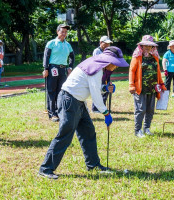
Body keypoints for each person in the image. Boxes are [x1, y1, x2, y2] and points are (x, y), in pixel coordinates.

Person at [38, 46, 129, 179]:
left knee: (88, 131)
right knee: (65, 135)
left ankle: (93, 164)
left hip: (78, 101)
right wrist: (106, 113)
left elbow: (92, 85)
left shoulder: (96, 65)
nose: (116, 67)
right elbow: (95, 96)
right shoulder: (97, 69)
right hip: (69, 100)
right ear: (109, 61)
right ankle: (45, 168)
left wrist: (104, 87)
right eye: (115, 63)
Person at [129, 35, 167, 138]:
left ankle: (147, 128)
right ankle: (138, 130)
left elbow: (158, 72)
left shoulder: (154, 58)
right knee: (141, 109)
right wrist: (131, 85)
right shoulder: (137, 57)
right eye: (145, 45)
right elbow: (132, 71)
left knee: (150, 110)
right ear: (141, 46)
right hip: (140, 89)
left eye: (149, 46)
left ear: (152, 47)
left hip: (152, 88)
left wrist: (162, 84)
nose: (147, 48)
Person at [42, 24, 75, 122]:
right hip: (53, 68)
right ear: (57, 32)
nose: (64, 33)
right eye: (62, 31)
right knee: (51, 90)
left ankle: (59, 111)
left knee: (61, 91)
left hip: (63, 69)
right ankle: (52, 113)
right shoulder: (51, 43)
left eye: (66, 32)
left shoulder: (68, 45)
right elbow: (46, 56)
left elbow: (72, 56)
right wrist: (45, 69)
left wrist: (70, 67)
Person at [91, 35, 113, 113]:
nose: (107, 45)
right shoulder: (97, 51)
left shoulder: (109, 51)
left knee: (106, 89)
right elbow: (96, 62)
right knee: (98, 90)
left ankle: (102, 106)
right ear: (101, 42)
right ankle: (95, 108)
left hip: (107, 73)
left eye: (109, 44)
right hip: (99, 73)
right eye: (106, 43)